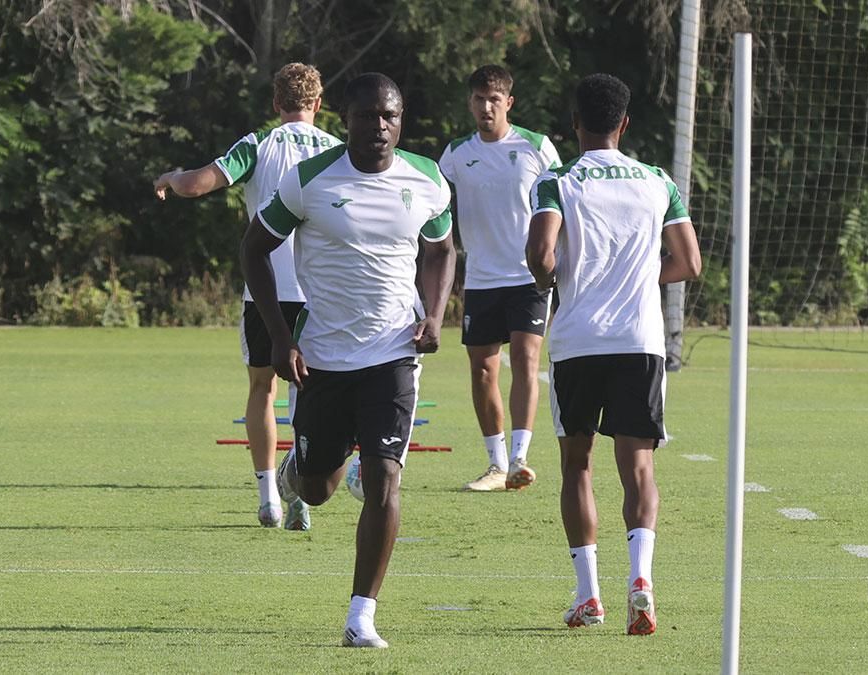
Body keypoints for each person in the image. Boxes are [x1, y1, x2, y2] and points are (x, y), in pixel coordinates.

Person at [240, 73, 455, 649]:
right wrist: (282, 335)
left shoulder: (428, 180)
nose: (379, 127)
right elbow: (253, 250)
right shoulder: (307, 180)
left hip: (394, 355)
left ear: (400, 118)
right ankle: (293, 473)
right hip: (324, 357)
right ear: (346, 119)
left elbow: (440, 250)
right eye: (367, 117)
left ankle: (361, 615)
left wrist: (433, 316)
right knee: (316, 489)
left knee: (385, 479)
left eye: (389, 116)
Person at [525, 73, 701, 635]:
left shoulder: (557, 180)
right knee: (639, 467)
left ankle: (588, 596)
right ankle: (641, 580)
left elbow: (542, 255)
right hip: (641, 340)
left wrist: (559, 281)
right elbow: (690, 263)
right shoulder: (657, 181)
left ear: (575, 123)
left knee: (577, 464)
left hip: (578, 341)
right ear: (624, 124)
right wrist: (645, 280)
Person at [153, 63, 341, 531]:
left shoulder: (259, 144)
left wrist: (171, 176)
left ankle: (268, 498)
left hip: (267, 290)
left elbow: (197, 184)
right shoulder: (341, 151)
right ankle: (302, 491)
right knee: (312, 393)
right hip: (322, 292)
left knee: (262, 388)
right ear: (318, 105)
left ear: (277, 104)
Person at [437, 65, 562, 492]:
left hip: (529, 276)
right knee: (483, 372)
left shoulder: (537, 147)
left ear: (508, 102)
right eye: (478, 99)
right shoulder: (455, 154)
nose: (485, 107)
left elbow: (562, 203)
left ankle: (520, 460)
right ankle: (495, 463)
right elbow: (433, 210)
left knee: (527, 361)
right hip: (481, 279)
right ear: (470, 102)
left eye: (494, 99)